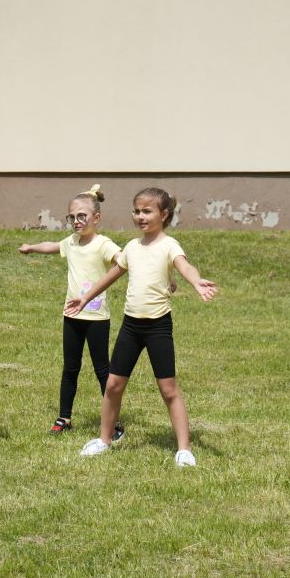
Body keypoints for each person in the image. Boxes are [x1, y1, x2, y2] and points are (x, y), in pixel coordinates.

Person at [66, 187, 217, 466]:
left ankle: (184, 449)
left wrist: (196, 282)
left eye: (147, 211)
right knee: (113, 384)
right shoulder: (133, 248)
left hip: (158, 326)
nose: (140, 216)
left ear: (164, 214)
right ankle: (104, 439)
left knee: (168, 388)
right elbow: (113, 273)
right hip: (130, 326)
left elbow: (184, 266)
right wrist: (86, 297)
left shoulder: (169, 245)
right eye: (137, 211)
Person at [18, 184, 125, 438]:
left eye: (82, 216)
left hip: (97, 318)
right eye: (72, 217)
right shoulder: (72, 242)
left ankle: (114, 423)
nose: (76, 222)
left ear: (96, 218)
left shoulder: (103, 244)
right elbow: (52, 246)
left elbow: (122, 259)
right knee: (70, 368)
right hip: (72, 316)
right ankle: (64, 417)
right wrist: (31, 247)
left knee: (103, 370)